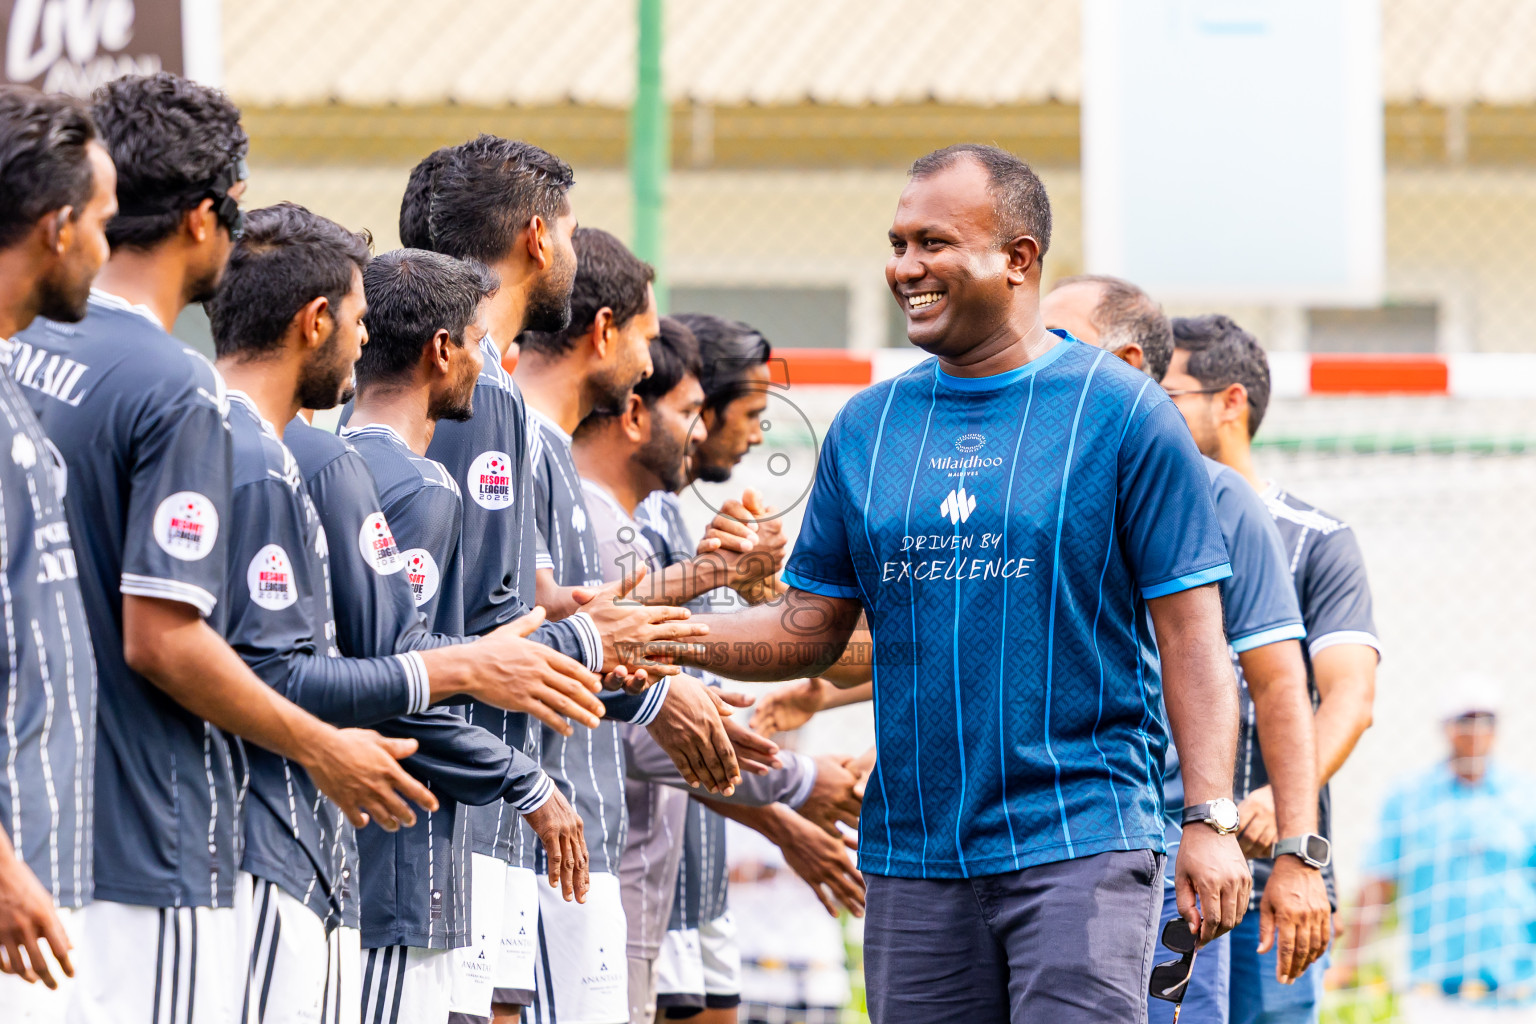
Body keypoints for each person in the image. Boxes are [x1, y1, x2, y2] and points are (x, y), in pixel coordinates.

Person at [639, 143, 1253, 1022]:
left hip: (1081, 840)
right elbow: (809, 628)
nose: (905, 268)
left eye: (933, 243)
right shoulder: (868, 426)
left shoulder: (1122, 414)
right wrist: (654, 633)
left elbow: (1195, 636)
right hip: (913, 856)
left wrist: (1210, 818)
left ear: (1018, 258)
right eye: (898, 244)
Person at [9, 72, 427, 1024]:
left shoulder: (21, 349)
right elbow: (162, 639)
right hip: (142, 842)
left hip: (39, 827)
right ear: (205, 217)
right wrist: (324, 747)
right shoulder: (175, 386)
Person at [208, 204, 596, 1022]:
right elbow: (389, 670)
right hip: (379, 857)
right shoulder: (388, 480)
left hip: (322, 848)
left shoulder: (293, 451)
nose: (358, 338)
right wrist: (521, 769)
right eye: (480, 343)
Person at [400, 135, 720, 1024]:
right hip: (467, 812)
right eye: (572, 232)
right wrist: (619, 662)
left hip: (506, 811)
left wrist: (616, 637)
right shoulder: (465, 390)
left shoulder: (495, 393)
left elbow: (521, 605)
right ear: (538, 239)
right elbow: (434, 634)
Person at [513, 228, 784, 1023]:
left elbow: (631, 647)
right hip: (581, 856)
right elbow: (585, 658)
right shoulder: (557, 479)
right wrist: (791, 788)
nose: (709, 432)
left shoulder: (638, 512)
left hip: (623, 867)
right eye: (695, 411)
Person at [1042, 283, 1335, 1020]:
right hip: (1023, 849)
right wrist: (823, 688)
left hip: (1164, 855)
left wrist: (1298, 853)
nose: (1030, 354)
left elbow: (1282, 686)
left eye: (1055, 339)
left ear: (1125, 363)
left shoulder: (1219, 497)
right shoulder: (1020, 493)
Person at [569, 316, 864, 1024]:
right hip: (616, 875)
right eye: (745, 413)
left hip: (670, 876)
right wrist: (792, 797)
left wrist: (769, 605)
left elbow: (690, 682)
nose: (745, 434)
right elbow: (643, 708)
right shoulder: (600, 523)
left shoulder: (665, 519)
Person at [1159, 314, 1379, 1024]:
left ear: (1231, 403)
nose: (1148, 410)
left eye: (1168, 394)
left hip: (1271, 868)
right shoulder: (1137, 525)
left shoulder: (1318, 542)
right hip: (1164, 870)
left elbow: (1349, 698)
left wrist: (1281, 809)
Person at [0, 84, 112, 1019]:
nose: (109, 252)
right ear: (58, 227)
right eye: (104, 224)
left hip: (38, 880)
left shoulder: (11, 380)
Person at [1344, 678, 1535, 1021]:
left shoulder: (1525, 799)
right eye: (1465, 719)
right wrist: (1349, 962)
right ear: (1446, 727)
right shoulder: (1409, 799)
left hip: (1515, 996)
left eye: (1485, 720)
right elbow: (1378, 883)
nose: (1475, 730)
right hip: (1433, 997)